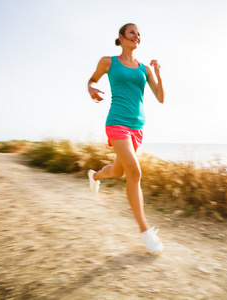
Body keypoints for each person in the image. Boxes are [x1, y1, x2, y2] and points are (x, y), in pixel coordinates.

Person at [87, 23, 165, 255]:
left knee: (120, 171)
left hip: (137, 127)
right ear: (121, 37)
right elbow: (92, 81)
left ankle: (95, 175)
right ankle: (145, 231)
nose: (136, 36)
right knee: (135, 171)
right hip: (116, 123)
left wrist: (158, 73)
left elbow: (160, 97)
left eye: (139, 34)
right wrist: (91, 89)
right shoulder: (108, 62)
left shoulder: (144, 69)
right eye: (132, 32)